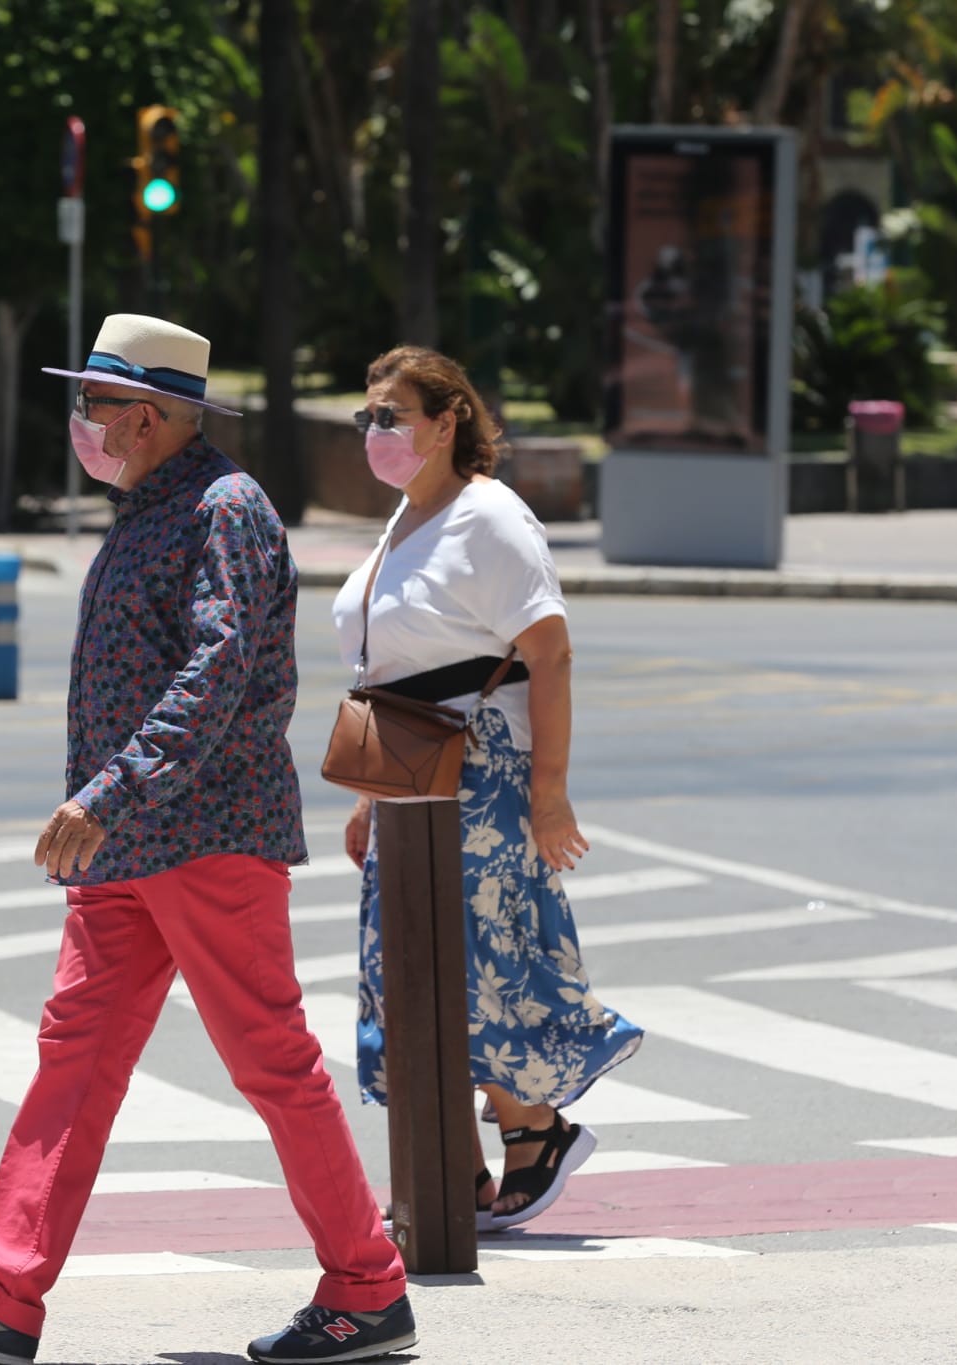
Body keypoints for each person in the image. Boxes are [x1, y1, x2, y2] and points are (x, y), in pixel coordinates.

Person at [0, 315, 414, 1365]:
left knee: (270, 1061)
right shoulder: (150, 507)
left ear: (152, 416)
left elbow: (212, 674)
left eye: (95, 404)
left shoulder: (225, 509)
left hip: (204, 834)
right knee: (72, 1060)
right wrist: (110, 810)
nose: (82, 422)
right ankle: (2, 1292)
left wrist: (106, 794)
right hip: (133, 846)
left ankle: (366, 1287)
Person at [333, 345, 642, 1231]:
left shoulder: (490, 517)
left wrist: (551, 792)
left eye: (391, 415)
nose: (375, 432)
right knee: (407, 969)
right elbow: (390, 662)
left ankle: (534, 1131)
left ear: (447, 421)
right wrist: (366, 790)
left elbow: (550, 654)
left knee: (485, 965)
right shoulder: (405, 518)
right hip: (407, 777)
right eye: (368, 416)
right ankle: (451, 1168)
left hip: (481, 770)